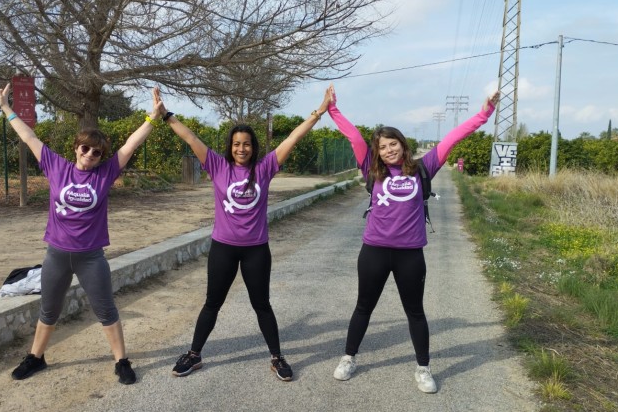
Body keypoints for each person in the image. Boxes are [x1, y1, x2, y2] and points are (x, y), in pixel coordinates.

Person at [327, 84, 500, 393]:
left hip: (409, 254)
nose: (388, 150)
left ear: (403, 145)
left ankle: (423, 368)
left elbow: (453, 138)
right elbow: (354, 138)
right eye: (382, 147)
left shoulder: (423, 168)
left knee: (415, 312)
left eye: (393, 143)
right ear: (377, 152)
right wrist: (332, 108)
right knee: (363, 307)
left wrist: (484, 113)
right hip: (374, 251)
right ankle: (348, 358)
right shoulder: (372, 170)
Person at [159, 86, 334, 381]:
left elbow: (293, 138)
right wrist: (166, 116)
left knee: (261, 304)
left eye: (247, 144)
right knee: (212, 303)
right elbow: (191, 138)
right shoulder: (217, 166)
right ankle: (194, 354)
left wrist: (320, 111)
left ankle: (277, 357)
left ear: (254, 147)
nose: (242, 149)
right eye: (237, 144)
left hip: (256, 250)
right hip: (223, 248)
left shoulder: (265, 168)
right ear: (230, 146)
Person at [0, 83, 164, 385]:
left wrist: (152, 118)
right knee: (49, 309)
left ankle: (121, 361)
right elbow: (29, 136)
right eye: (85, 148)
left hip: (91, 258)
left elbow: (130, 145)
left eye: (96, 152)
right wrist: (7, 109)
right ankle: (36, 357)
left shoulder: (105, 173)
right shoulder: (56, 166)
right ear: (76, 147)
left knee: (106, 309)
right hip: (57, 255)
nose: (89, 154)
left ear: (101, 157)